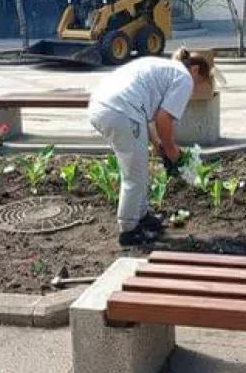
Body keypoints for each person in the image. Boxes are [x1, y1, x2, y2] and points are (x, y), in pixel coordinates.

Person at [89, 48, 212, 246]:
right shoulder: (184, 78)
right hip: (121, 112)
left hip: (104, 106)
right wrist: (173, 152)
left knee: (138, 167)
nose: (194, 89)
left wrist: (159, 145)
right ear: (196, 70)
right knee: (134, 174)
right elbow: (164, 119)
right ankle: (129, 231)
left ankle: (142, 215)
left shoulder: (165, 68)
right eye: (199, 83)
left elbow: (151, 118)